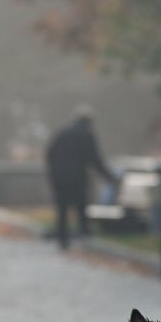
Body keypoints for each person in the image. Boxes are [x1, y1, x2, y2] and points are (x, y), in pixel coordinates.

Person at [45, 105, 117, 249]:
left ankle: (63, 239)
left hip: (59, 178)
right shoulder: (87, 135)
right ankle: (84, 237)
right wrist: (110, 177)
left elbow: (49, 154)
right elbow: (96, 159)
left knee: (62, 209)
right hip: (77, 178)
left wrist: (53, 174)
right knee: (81, 207)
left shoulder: (63, 133)